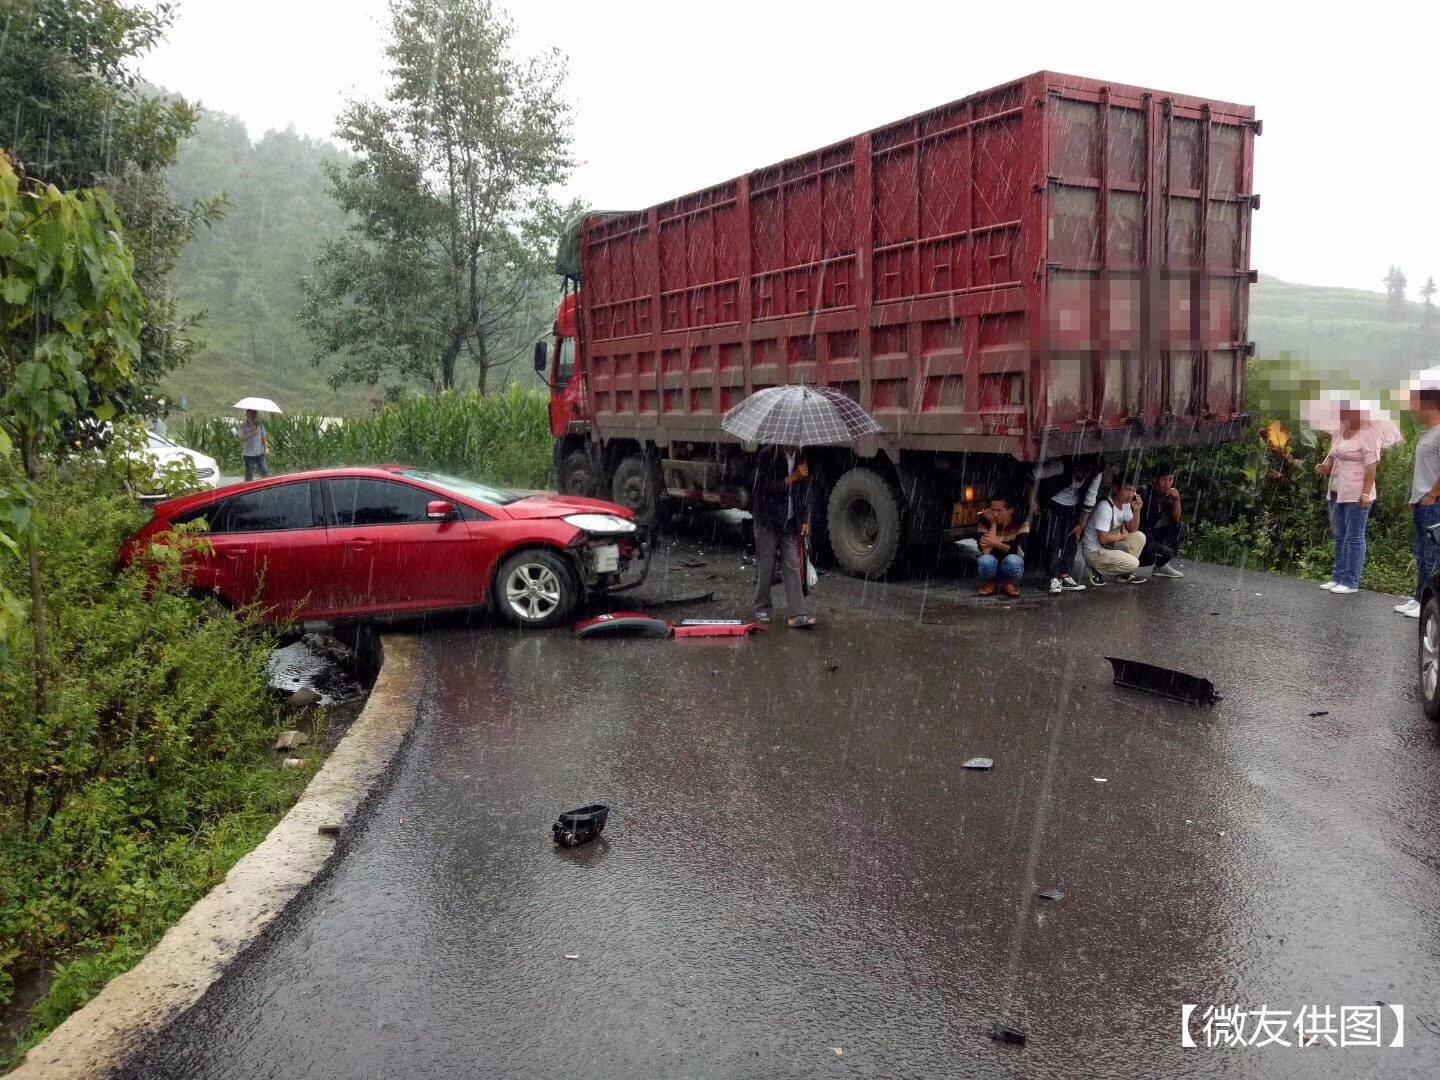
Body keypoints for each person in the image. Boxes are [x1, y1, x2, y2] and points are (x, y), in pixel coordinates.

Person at [1315, 407, 1380, 595]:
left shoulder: (1368, 433)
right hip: (1336, 490)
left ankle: (1351, 581)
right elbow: (1333, 459)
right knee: (1339, 536)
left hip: (1356, 492)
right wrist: (1325, 468)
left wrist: (1366, 493)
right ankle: (1338, 577)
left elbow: (1371, 466)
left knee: (1355, 537)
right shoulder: (1338, 432)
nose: (1343, 415)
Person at [751, 444, 816, 628]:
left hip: (790, 520)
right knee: (767, 566)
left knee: (792, 565)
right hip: (767, 519)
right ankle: (762, 607)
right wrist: (791, 478)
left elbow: (804, 492)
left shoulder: (802, 457)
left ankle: (798, 613)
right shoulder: (767, 455)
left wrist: (804, 519)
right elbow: (761, 488)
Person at [1398, 388, 1440, 617]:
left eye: (1419, 404)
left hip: (1434, 503)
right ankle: (1419, 598)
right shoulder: (1428, 432)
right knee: (1422, 554)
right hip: (1422, 501)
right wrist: (1415, 496)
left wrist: (1434, 493)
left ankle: (1429, 603)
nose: (1415, 409)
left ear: (1432, 406)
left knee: (1432, 555)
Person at [1037, 457, 1102, 594]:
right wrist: (1034, 500)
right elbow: (1034, 475)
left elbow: (1090, 497)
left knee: (1072, 538)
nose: (1084, 474)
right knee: (1052, 540)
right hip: (1053, 502)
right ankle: (1051, 577)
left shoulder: (1096, 473)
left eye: (1088, 471)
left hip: (1074, 506)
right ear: (1075, 465)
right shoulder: (1061, 466)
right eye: (1082, 470)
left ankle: (1065, 575)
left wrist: (1081, 524)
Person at [1082, 477, 1151, 585]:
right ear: (1116, 489)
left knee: (1140, 536)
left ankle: (1123, 575)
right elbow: (1103, 539)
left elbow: (1133, 529)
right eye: (1127, 490)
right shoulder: (1105, 507)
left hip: (1110, 546)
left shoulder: (1126, 504)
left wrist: (1137, 510)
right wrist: (1123, 536)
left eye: (1133, 490)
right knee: (1134, 563)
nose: (1131, 494)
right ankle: (1095, 568)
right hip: (1095, 551)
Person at [975, 493, 1030, 597]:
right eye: (992, 510)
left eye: (999, 511)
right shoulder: (985, 520)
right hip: (994, 566)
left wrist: (995, 543)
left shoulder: (1021, 522)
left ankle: (1008, 583)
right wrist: (993, 524)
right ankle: (991, 583)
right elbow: (985, 551)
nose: (995, 514)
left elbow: (1019, 552)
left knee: (1013, 560)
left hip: (1010, 565)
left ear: (1010, 510)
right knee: (984, 560)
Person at [1139, 465, 1186, 578]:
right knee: (1167, 552)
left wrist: (1177, 499)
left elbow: (1175, 518)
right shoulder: (1144, 493)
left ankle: (1162, 566)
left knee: (1180, 527)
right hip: (1139, 534)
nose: (1167, 483)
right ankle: (1132, 563)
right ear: (1155, 480)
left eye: (1170, 479)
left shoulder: (1168, 496)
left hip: (1151, 533)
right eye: (1164, 479)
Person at [237, 408, 270, 481]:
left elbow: (264, 437)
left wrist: (266, 448)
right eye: (251, 414)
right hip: (249, 454)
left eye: (254, 414)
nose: (253, 416)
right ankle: (247, 489)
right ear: (247, 414)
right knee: (249, 473)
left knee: (264, 471)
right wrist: (253, 434)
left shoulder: (260, 425)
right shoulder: (242, 426)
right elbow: (241, 438)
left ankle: (267, 487)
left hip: (260, 452)